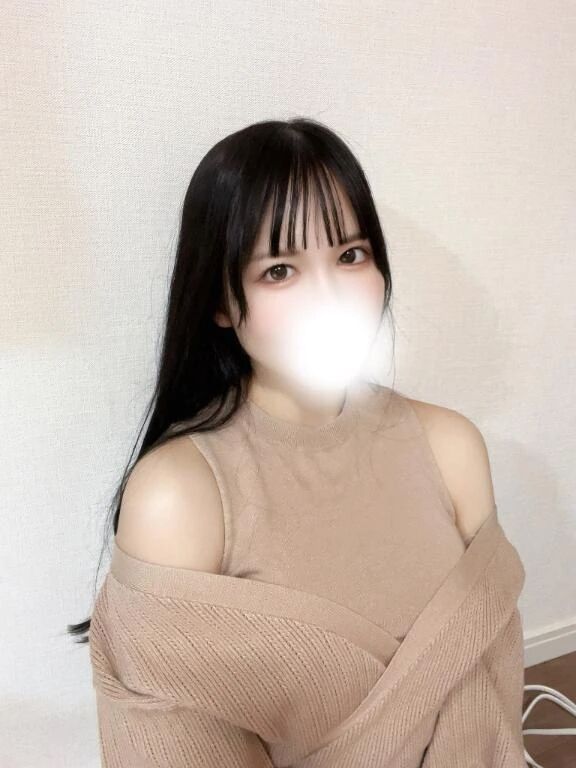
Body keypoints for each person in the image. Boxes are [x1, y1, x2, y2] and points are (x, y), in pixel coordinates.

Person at [69, 117, 525, 767]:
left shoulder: (451, 447)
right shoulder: (179, 498)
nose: (331, 297)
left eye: (351, 255)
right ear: (220, 301)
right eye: (280, 270)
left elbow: (490, 696)